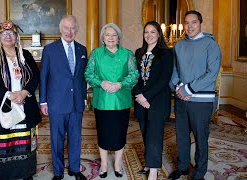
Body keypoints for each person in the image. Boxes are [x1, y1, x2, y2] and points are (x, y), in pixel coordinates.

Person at [0, 20, 41, 180]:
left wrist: (24, 92)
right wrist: (8, 94)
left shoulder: (25, 55)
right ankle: (3, 174)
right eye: (4, 33)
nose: (8, 36)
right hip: (2, 106)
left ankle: (26, 173)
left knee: (24, 141)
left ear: (17, 36)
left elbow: (35, 76)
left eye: (11, 33)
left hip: (25, 105)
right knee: (4, 141)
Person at [169, 10, 221, 180]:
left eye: (194, 22)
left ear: (200, 24)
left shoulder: (211, 45)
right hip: (181, 99)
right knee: (181, 136)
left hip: (201, 101)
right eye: (186, 23)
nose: (189, 26)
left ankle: (199, 173)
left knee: (200, 138)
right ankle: (183, 167)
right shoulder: (178, 45)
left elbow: (211, 73)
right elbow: (174, 70)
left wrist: (188, 90)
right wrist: (178, 88)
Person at [84, 23, 139, 178]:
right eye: (107, 34)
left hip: (121, 100)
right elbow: (88, 73)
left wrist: (120, 84)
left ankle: (117, 163)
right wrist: (101, 82)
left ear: (118, 38)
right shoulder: (96, 54)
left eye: (114, 35)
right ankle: (103, 164)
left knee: (120, 132)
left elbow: (134, 74)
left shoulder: (128, 54)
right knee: (103, 133)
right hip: (102, 100)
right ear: (103, 37)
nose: (110, 38)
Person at [39, 15, 88, 180]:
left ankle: (75, 169)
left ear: (77, 30)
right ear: (60, 29)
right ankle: (58, 172)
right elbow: (43, 76)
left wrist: (84, 98)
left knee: (75, 138)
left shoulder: (82, 49)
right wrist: (43, 101)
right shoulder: (50, 49)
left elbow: (82, 78)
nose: (69, 31)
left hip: (76, 103)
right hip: (56, 103)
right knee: (57, 140)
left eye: (73, 28)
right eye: (66, 28)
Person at [132, 21, 173, 180]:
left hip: (157, 101)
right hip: (140, 100)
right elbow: (133, 76)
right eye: (146, 32)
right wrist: (138, 95)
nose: (149, 35)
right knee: (145, 132)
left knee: (155, 135)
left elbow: (164, 79)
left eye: (152, 32)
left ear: (158, 34)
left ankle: (154, 171)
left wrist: (146, 96)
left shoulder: (166, 53)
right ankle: (149, 163)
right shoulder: (138, 52)